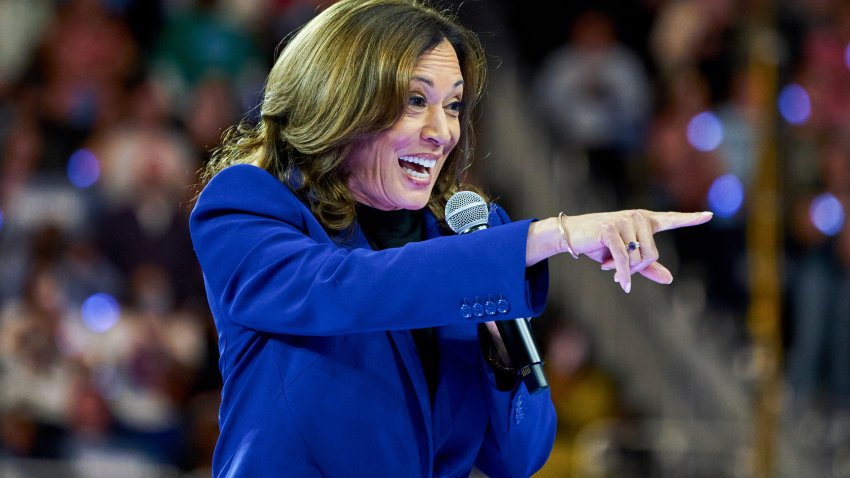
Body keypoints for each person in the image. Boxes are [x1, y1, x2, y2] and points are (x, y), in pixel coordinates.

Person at [189, 0, 713, 476]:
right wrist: (548, 236)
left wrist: (503, 351)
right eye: (416, 100)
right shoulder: (248, 206)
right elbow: (342, 288)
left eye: (455, 105)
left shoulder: (468, 236)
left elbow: (519, 457)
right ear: (341, 100)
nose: (443, 131)